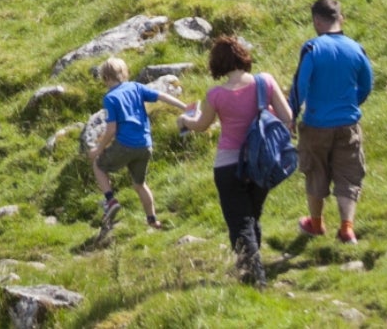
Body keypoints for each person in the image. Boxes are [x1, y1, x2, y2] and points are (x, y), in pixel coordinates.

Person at [178, 33, 295, 285]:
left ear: (217, 64)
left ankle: (254, 279)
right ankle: (253, 270)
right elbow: (288, 117)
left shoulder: (216, 95)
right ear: (243, 56)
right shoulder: (265, 82)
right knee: (251, 217)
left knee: (240, 223)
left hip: (229, 166)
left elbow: (200, 126)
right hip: (262, 163)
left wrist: (185, 119)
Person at [291, 0, 375, 243]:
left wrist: (291, 115)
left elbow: (300, 86)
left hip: (316, 124)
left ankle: (316, 224)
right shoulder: (356, 49)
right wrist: (351, 104)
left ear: (317, 21)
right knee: (348, 174)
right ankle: (347, 227)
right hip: (347, 122)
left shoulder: (313, 48)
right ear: (341, 18)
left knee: (315, 171)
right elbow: (367, 85)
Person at [86, 56, 177, 235]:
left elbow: (111, 129)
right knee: (139, 184)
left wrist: (98, 148)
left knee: (98, 165)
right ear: (124, 73)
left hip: (125, 145)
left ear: (104, 78)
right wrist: (185, 107)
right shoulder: (135, 87)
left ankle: (111, 201)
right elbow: (162, 96)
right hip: (145, 145)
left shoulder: (110, 97)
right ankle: (153, 220)